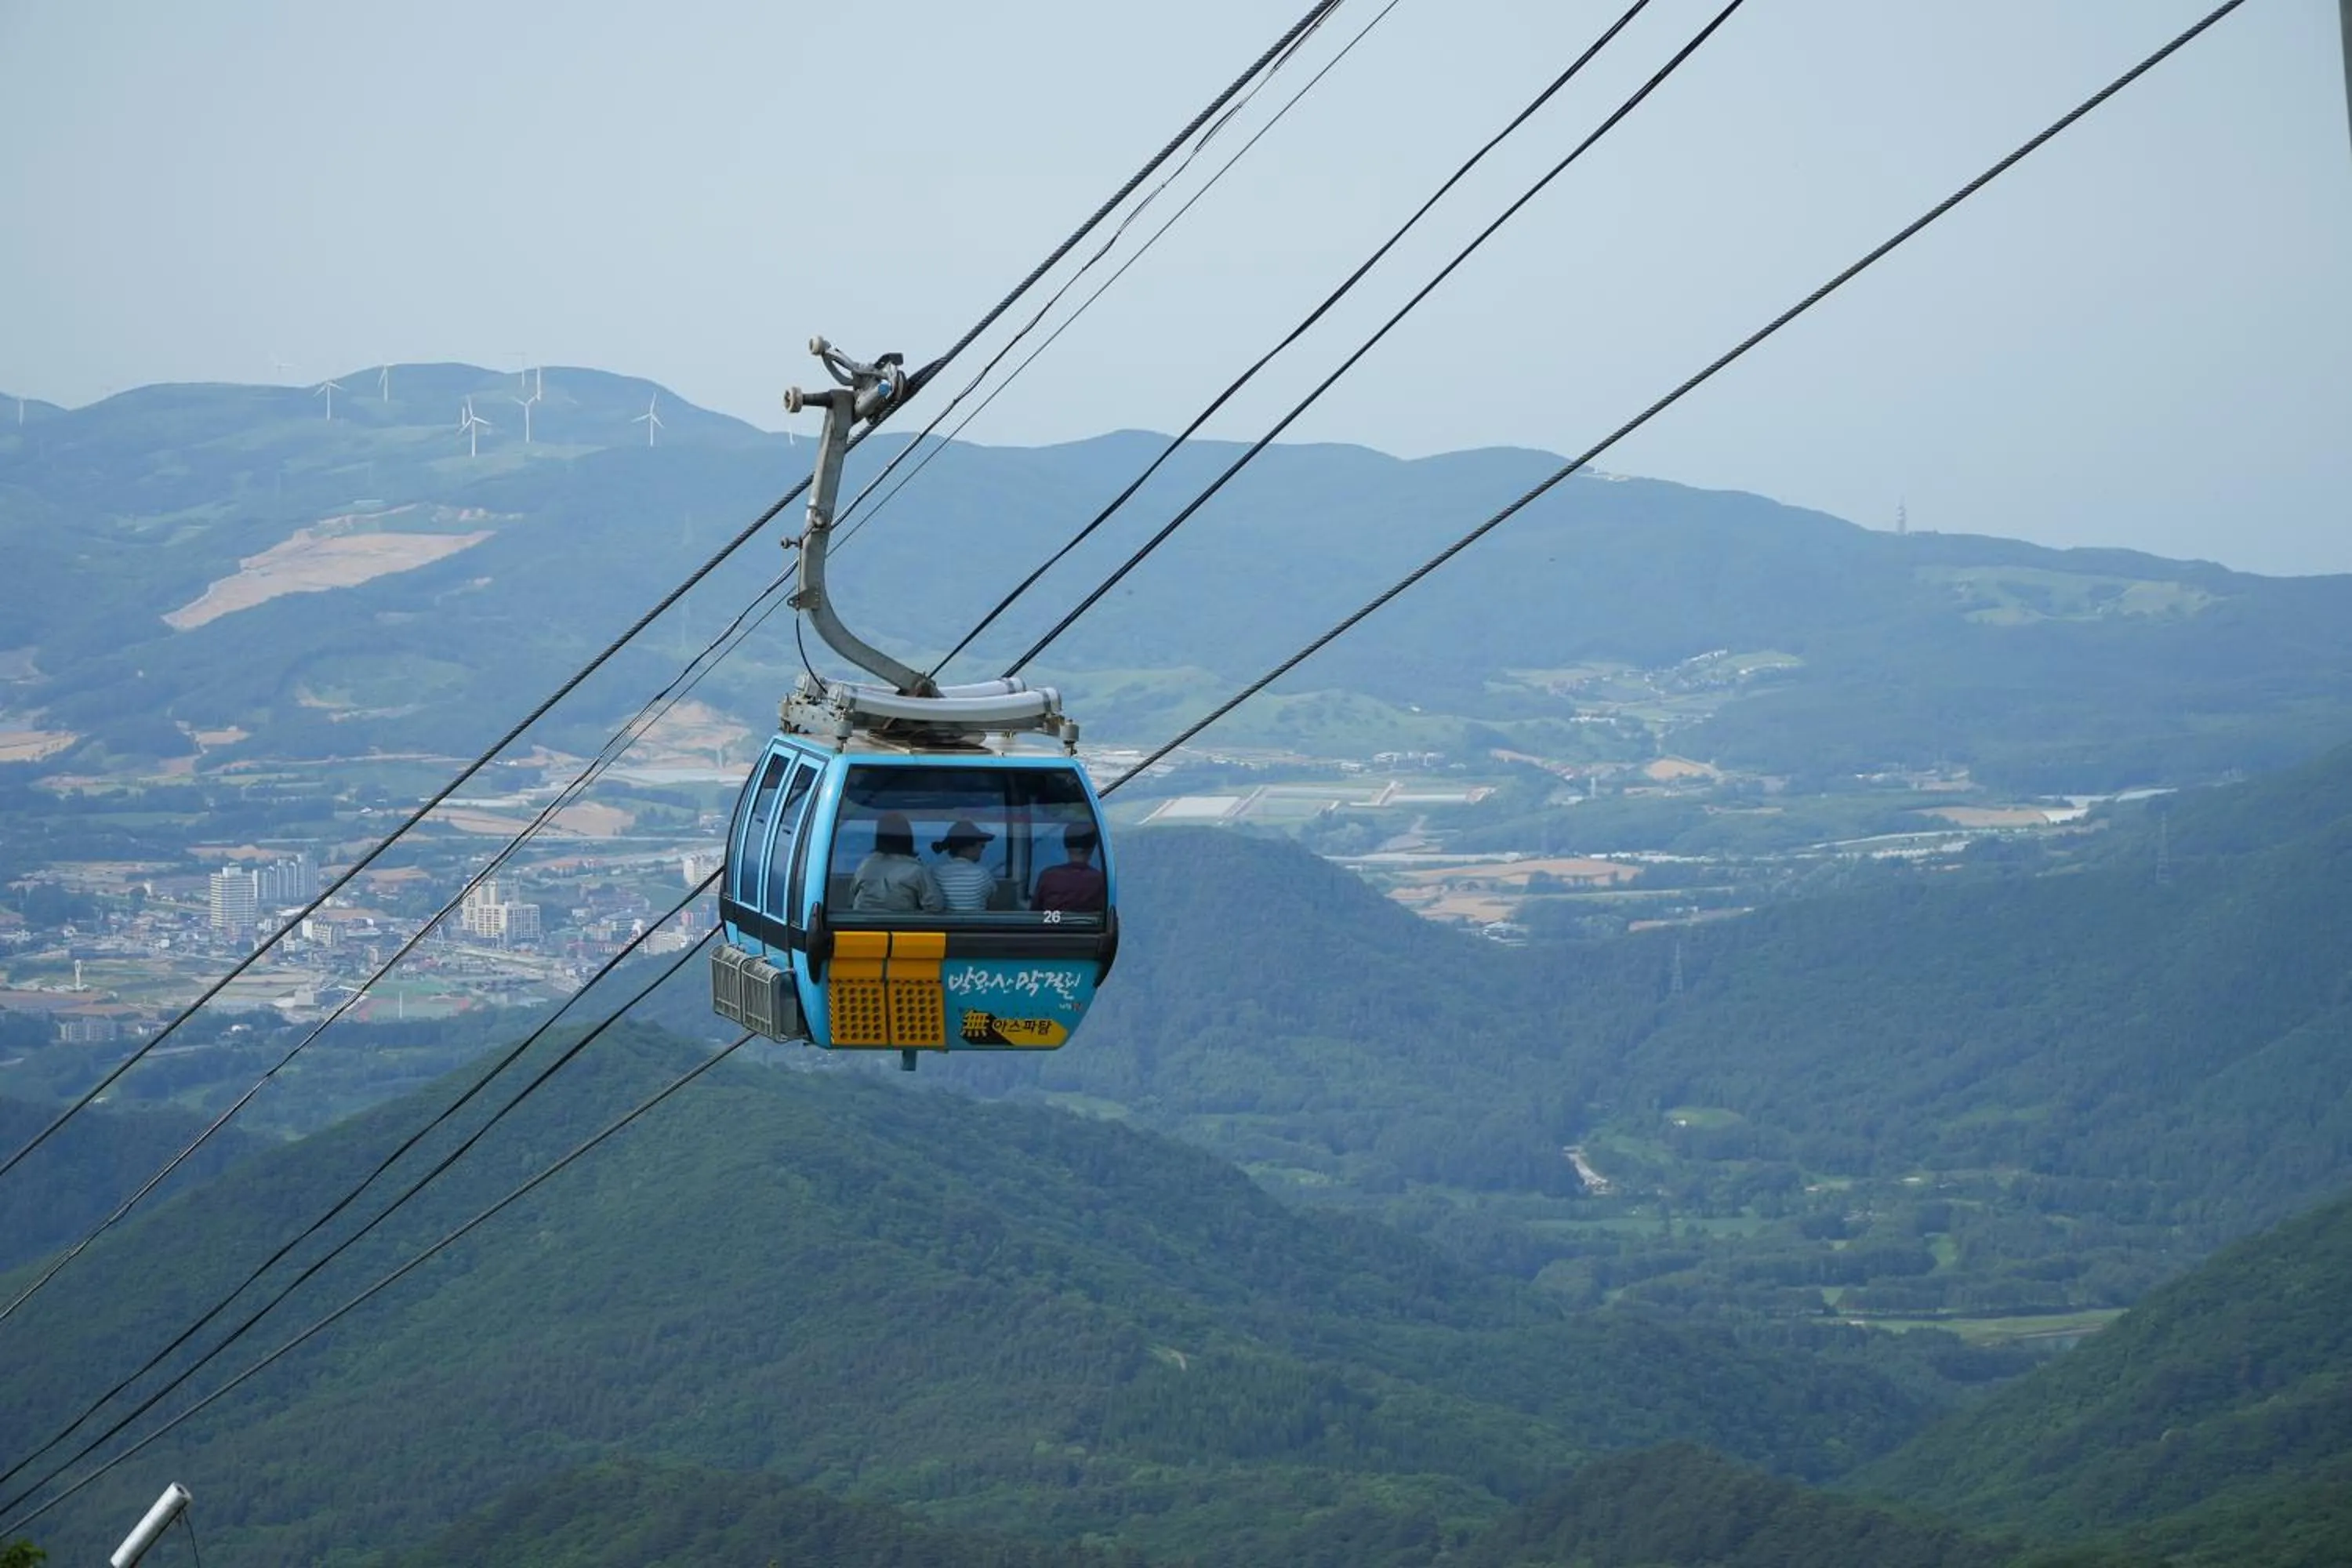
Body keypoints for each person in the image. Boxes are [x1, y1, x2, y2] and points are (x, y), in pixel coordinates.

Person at [851, 811, 945, 913]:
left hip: (862, 921)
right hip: (900, 922)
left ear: (879, 837)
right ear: (908, 838)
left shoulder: (865, 866)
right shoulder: (916, 871)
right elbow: (935, 906)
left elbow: (852, 894)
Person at [1031, 824, 1106, 913]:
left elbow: (1034, 913)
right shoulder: (1100, 880)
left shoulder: (1048, 876)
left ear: (1066, 846)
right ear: (1092, 848)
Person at [930, 819, 997, 912]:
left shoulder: (934, 873)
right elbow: (991, 904)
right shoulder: (982, 875)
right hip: (977, 921)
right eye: (982, 846)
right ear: (968, 847)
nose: (982, 850)